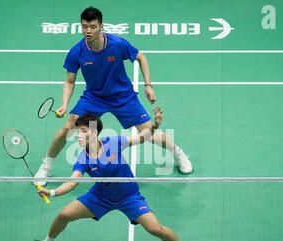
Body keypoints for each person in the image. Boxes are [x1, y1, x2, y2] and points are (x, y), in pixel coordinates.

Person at [35, 6, 192, 186]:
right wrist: (64, 104)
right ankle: (46, 166)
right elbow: (69, 82)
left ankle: (178, 153)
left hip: (123, 97)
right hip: (94, 98)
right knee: (68, 128)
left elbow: (142, 58)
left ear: (101, 26)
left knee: (149, 133)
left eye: (93, 26)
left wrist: (148, 85)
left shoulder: (117, 44)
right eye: (84, 26)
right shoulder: (76, 52)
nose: (88, 31)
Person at [31, 107, 196, 241]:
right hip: (101, 197)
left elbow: (141, 138)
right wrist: (51, 192)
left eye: (83, 131)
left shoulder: (113, 142)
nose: (78, 135)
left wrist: (155, 126)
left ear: (95, 133)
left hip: (128, 197)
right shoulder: (83, 158)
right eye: (77, 132)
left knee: (156, 229)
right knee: (63, 215)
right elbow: (72, 182)